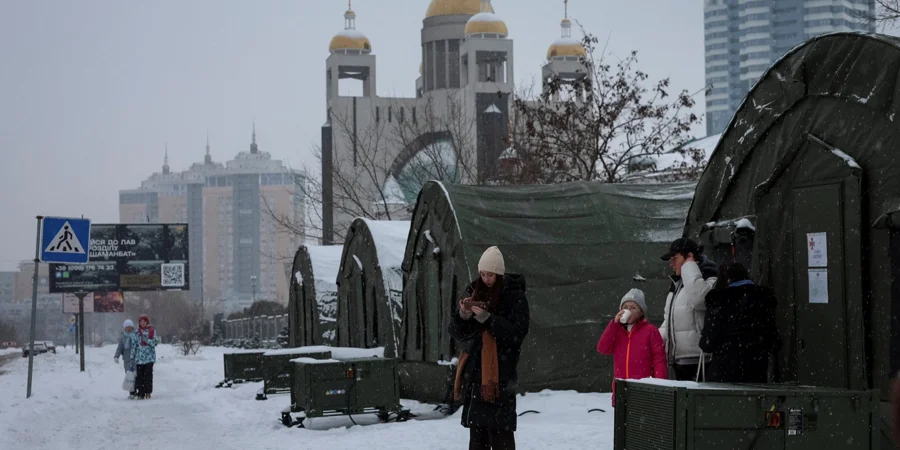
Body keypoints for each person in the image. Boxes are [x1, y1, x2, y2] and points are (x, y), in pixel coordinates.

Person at [450, 246, 529, 450]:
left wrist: (488, 320)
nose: (485, 279)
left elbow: (517, 333)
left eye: (490, 274)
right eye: (483, 273)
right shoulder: (474, 291)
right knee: (477, 439)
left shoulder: (514, 296)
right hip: (477, 376)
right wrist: (463, 315)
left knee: (501, 436)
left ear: (499, 273)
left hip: (500, 377)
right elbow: (458, 333)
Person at [700, 262, 779, 383]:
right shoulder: (762, 298)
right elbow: (773, 341)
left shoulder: (719, 300)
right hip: (756, 369)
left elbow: (708, 343)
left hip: (724, 371)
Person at [658, 238, 718, 381]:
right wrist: (654, 339)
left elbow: (700, 300)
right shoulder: (677, 284)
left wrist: (689, 266)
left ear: (690, 256)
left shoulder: (711, 278)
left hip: (701, 359)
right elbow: (669, 320)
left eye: (675, 258)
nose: (671, 264)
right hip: (678, 360)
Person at [597, 288, 667, 406]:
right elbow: (602, 348)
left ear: (641, 313)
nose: (628, 310)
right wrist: (614, 324)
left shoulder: (651, 331)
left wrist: (660, 386)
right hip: (621, 389)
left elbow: (659, 360)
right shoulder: (616, 330)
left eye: (633, 308)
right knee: (622, 422)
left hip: (644, 389)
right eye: (625, 307)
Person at [130, 314, 159, 399]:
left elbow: (155, 343)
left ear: (147, 322)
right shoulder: (136, 332)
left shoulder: (152, 331)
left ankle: (148, 392)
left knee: (148, 376)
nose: (142, 323)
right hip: (139, 358)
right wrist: (132, 355)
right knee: (140, 376)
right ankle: (141, 392)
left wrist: (148, 340)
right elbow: (134, 344)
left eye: (144, 321)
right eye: (141, 321)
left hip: (149, 358)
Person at [114, 319, 138, 399]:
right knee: (129, 377)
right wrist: (116, 356)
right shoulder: (122, 337)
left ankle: (137, 391)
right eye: (127, 327)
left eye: (130, 327)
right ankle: (132, 392)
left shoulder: (136, 335)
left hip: (136, 359)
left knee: (137, 375)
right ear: (125, 328)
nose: (128, 328)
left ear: (132, 327)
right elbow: (120, 348)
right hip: (127, 361)